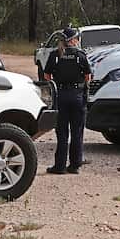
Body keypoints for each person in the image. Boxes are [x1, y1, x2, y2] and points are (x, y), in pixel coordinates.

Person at [44, 27, 92, 174]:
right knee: (77, 132)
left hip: (61, 96)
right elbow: (88, 77)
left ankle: (59, 166)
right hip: (77, 96)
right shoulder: (80, 55)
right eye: (77, 38)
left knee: (62, 132)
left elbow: (47, 76)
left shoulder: (55, 55)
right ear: (73, 40)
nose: (78, 41)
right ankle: (75, 165)